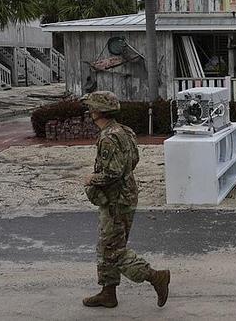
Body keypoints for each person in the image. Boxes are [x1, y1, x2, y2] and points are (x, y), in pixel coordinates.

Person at [80, 91, 170, 309]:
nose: (89, 111)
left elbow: (113, 173)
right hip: (124, 196)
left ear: (98, 111)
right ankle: (108, 293)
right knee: (107, 246)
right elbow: (133, 161)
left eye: (91, 107)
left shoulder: (109, 137)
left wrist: (92, 178)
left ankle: (154, 276)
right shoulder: (125, 131)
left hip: (115, 201)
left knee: (113, 250)